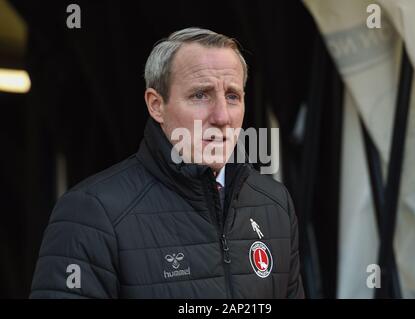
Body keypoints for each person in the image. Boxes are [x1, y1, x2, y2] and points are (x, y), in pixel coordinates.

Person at [30, 27, 304, 299]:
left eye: (232, 96)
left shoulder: (274, 204)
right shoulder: (90, 212)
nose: (222, 117)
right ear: (156, 105)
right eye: (200, 95)